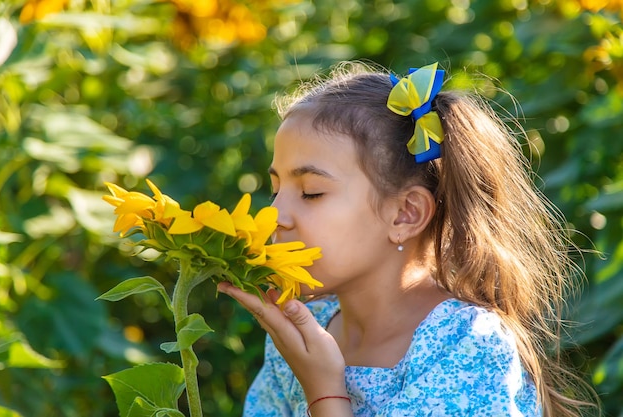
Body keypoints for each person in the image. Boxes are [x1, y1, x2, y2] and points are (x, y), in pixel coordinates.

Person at [217, 61, 596, 417]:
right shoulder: (301, 333)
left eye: (311, 192)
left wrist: (324, 392)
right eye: (275, 190)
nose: (274, 217)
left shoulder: (467, 346)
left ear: (405, 214)